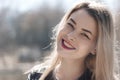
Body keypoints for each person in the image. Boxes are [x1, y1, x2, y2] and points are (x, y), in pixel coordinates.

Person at [27, 1, 118, 80]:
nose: (70, 36)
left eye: (84, 34)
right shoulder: (36, 76)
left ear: (96, 47)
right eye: (70, 25)